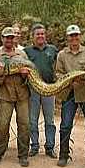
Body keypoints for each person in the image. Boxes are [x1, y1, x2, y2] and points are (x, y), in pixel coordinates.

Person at [55, 25, 85, 167]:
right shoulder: (62, 55)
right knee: (65, 125)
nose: (74, 38)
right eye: (71, 35)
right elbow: (58, 73)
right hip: (69, 93)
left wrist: (79, 80)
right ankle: (63, 155)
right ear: (67, 38)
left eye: (76, 35)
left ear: (80, 36)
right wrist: (69, 82)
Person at [0, 27, 31, 166]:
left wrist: (25, 75)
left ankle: (23, 155)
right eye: (6, 37)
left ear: (15, 39)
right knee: (2, 125)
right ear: (2, 38)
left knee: (25, 124)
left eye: (11, 37)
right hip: (5, 95)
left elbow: (30, 75)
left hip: (22, 94)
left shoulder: (22, 54)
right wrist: (0, 75)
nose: (9, 40)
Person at [24, 23, 58, 159]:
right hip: (33, 89)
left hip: (49, 89)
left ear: (46, 35)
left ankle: (50, 147)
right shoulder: (27, 51)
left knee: (50, 120)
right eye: (37, 34)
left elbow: (58, 67)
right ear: (33, 36)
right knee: (32, 119)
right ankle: (34, 146)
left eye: (42, 34)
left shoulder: (53, 50)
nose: (40, 36)